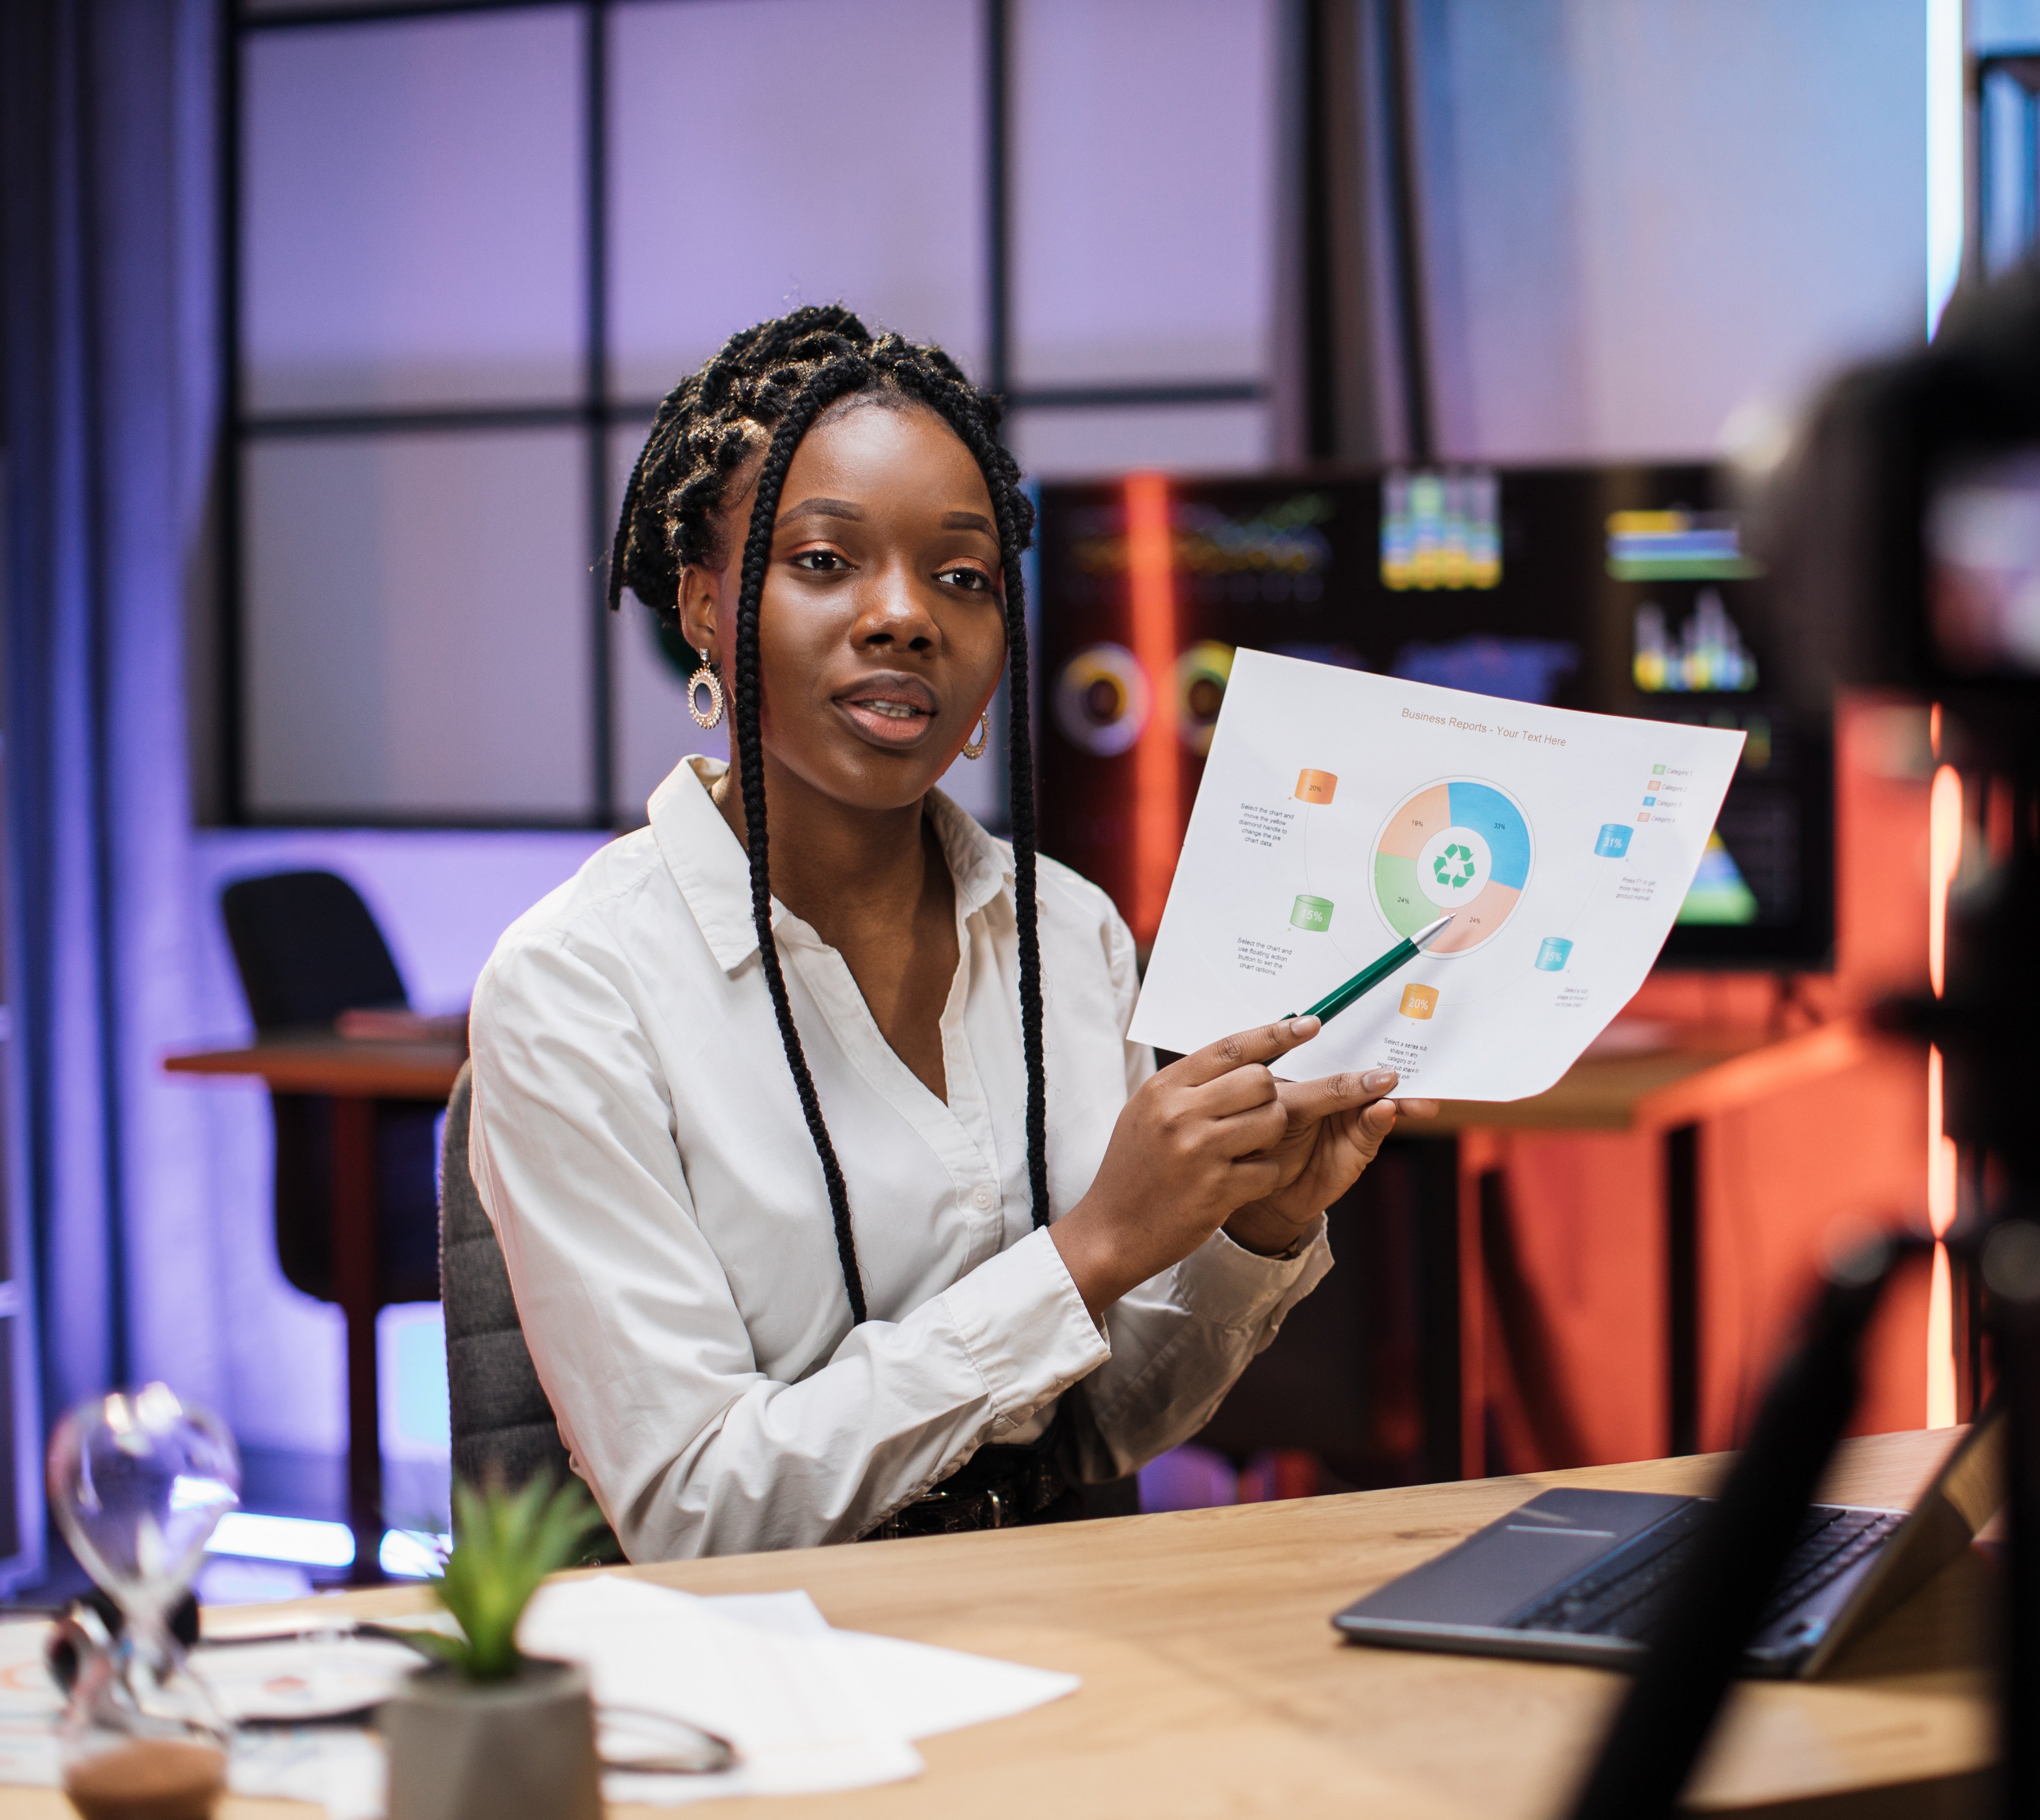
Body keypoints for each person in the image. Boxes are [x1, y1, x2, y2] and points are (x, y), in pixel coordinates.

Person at [467, 307, 1428, 1562]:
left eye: (963, 578)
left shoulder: (1068, 935)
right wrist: (1089, 1253)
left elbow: (1100, 1436)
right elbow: (698, 1514)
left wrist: (1252, 1232)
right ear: (705, 606)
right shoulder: (577, 984)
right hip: (763, 1687)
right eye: (825, 561)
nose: (906, 617)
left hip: (1053, 1638)